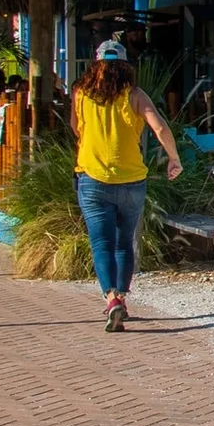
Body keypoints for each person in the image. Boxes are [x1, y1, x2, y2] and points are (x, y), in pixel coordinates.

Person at [71, 40, 182, 331]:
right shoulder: (134, 95)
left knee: (101, 243)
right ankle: (121, 295)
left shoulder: (81, 94)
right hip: (132, 179)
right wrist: (174, 159)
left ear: (95, 64)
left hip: (92, 178)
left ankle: (111, 298)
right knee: (124, 243)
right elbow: (159, 127)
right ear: (125, 67)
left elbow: (76, 127)